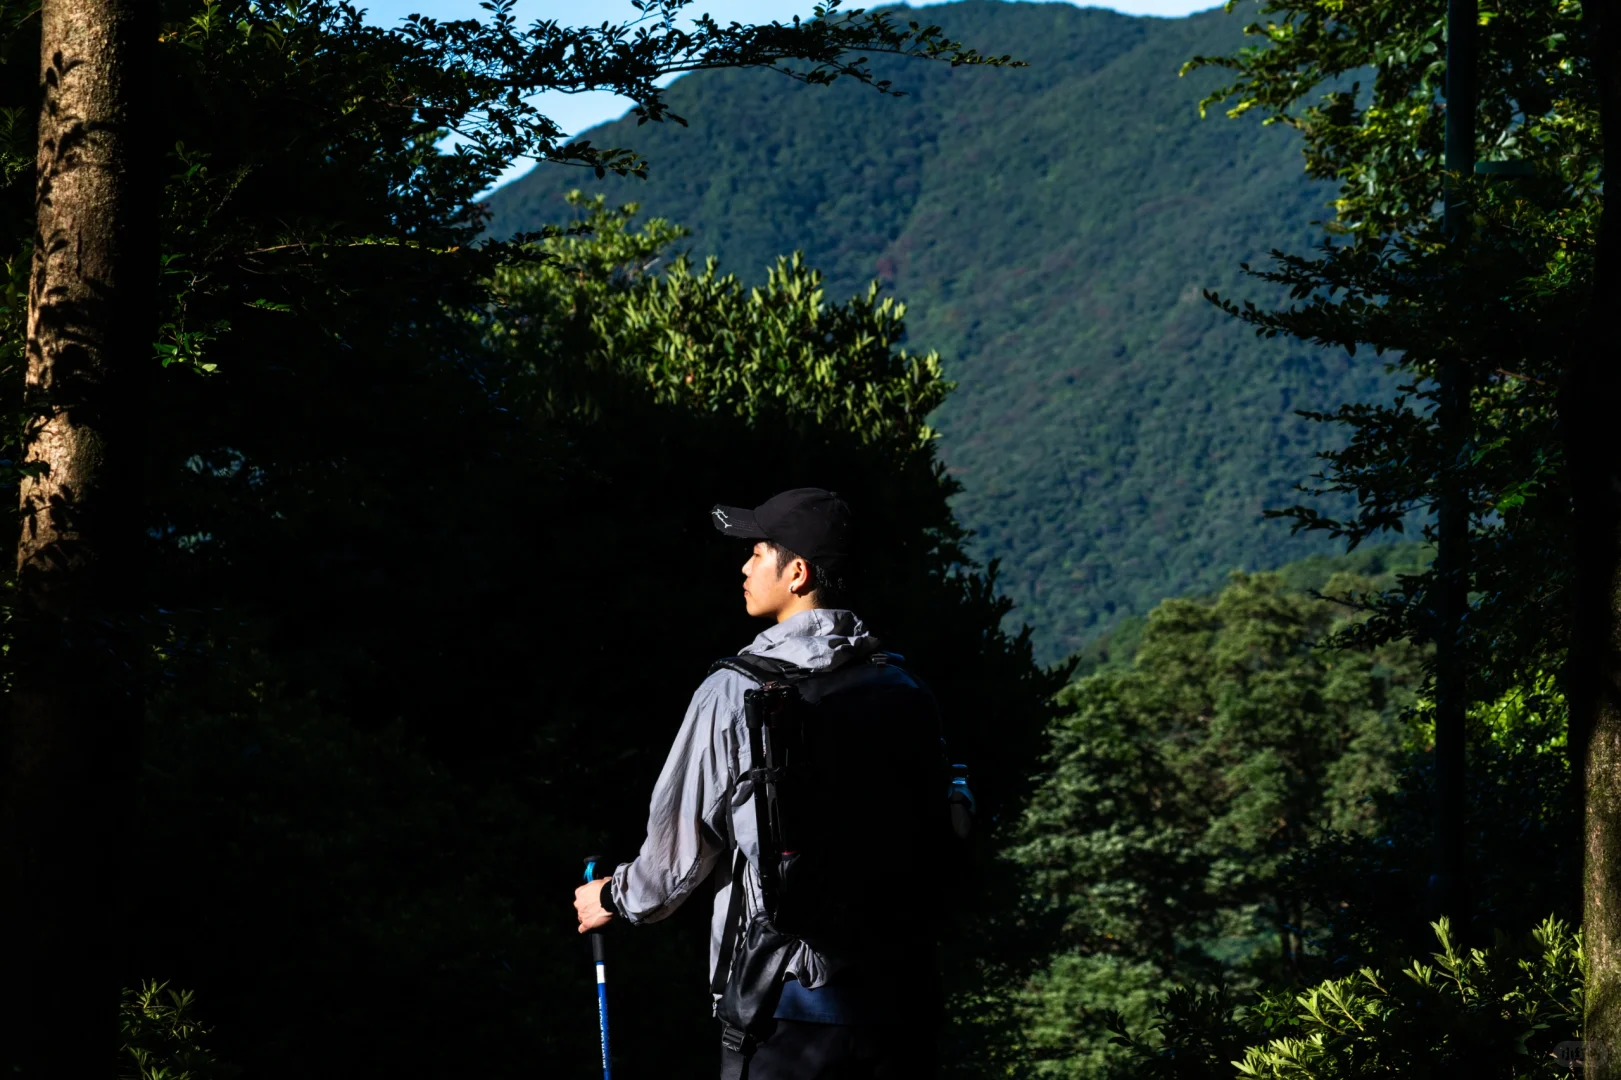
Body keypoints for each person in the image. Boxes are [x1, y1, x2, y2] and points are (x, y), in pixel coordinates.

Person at [572, 487, 943, 1079]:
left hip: (781, 1003)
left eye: (757, 552)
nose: (744, 567)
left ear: (797, 573)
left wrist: (613, 896)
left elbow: (674, 861)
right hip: (898, 1001)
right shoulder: (901, 684)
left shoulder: (736, 690)